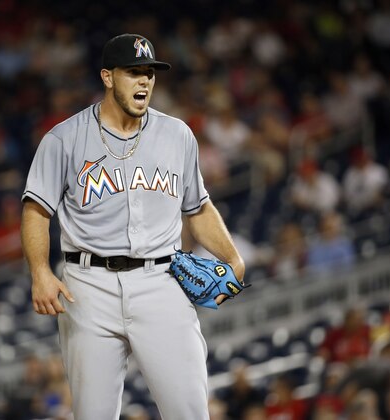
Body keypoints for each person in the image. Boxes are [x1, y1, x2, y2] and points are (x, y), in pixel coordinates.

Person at [21, 33, 246, 420]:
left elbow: (199, 207)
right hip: (87, 287)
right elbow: (35, 210)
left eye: (149, 74)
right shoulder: (64, 138)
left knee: (190, 412)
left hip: (161, 281)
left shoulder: (177, 135)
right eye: (133, 72)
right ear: (108, 77)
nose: (144, 81)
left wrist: (233, 257)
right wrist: (40, 272)